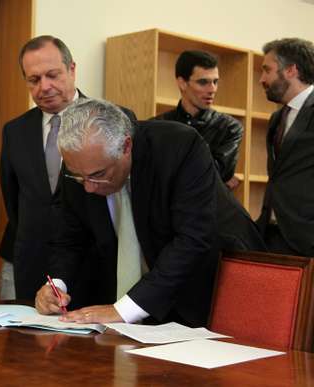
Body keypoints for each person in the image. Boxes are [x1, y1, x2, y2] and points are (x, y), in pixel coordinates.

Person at [35, 98, 265, 327]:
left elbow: (192, 239)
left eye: (98, 174)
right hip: (140, 303)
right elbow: (69, 237)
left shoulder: (179, 146)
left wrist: (124, 309)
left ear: (126, 146)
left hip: (211, 285)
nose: (88, 187)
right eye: (79, 176)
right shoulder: (81, 164)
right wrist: (56, 285)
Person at [0, 35, 135, 303]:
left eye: (52, 75)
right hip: (31, 261)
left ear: (72, 69)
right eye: (34, 80)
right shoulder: (15, 131)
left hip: (93, 266)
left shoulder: (114, 119)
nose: (44, 87)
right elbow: (12, 198)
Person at [256, 38, 314, 256]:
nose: (262, 79)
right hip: (272, 236)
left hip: (307, 240)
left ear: (291, 70)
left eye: (266, 70)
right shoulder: (277, 118)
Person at [154, 50, 243, 190]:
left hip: (208, 210)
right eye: (203, 82)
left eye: (215, 82)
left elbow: (216, 175)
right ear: (182, 83)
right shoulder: (156, 126)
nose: (212, 89)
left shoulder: (230, 127)